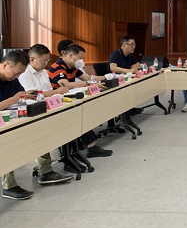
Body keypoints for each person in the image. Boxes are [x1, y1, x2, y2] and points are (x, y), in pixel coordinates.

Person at [2, 50, 74, 200]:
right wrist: (14, 99)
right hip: (4, 126)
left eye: (19, 74)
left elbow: (21, 96)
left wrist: (28, 97)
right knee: (6, 143)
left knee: (38, 130)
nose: (17, 77)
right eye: (16, 73)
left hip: (12, 118)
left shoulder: (12, 80)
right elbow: (15, 98)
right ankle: (9, 186)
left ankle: (46, 171)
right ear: (5, 65)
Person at [48, 45, 113, 159]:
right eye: (80, 58)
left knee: (84, 113)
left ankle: (89, 146)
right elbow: (66, 84)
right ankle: (91, 147)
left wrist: (106, 77)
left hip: (69, 99)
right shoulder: (57, 67)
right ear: (70, 56)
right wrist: (88, 84)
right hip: (57, 103)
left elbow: (87, 78)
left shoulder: (72, 67)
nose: (81, 61)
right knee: (80, 115)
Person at [107, 35, 142, 130]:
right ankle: (121, 117)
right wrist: (129, 70)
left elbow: (137, 64)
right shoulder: (116, 54)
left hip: (125, 81)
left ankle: (128, 111)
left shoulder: (129, 55)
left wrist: (135, 66)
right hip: (113, 82)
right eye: (131, 44)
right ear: (123, 45)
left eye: (134, 44)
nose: (134, 46)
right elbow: (113, 67)